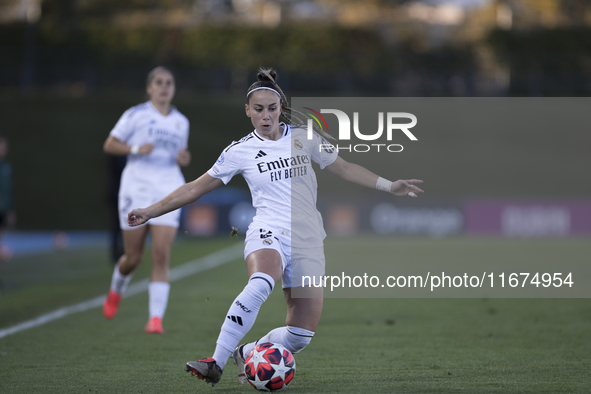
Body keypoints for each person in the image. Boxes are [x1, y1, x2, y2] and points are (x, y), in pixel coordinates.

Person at [126, 68, 423, 384]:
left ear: (281, 108)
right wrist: (150, 211)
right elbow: (193, 189)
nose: (265, 116)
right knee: (262, 280)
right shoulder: (238, 151)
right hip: (268, 230)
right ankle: (216, 360)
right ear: (247, 111)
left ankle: (249, 351)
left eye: (271, 108)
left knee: (300, 336)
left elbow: (346, 168)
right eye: (258, 110)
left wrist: (389, 186)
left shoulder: (303, 138)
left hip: (308, 239)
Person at [102, 66, 192, 334]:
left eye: (169, 82)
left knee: (162, 254)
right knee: (133, 257)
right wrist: (134, 149)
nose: (164, 87)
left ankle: (155, 319)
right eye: (159, 82)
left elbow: (180, 153)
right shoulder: (136, 115)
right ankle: (116, 290)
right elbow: (109, 144)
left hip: (168, 189)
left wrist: (183, 158)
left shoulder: (181, 122)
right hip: (137, 188)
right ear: (149, 88)